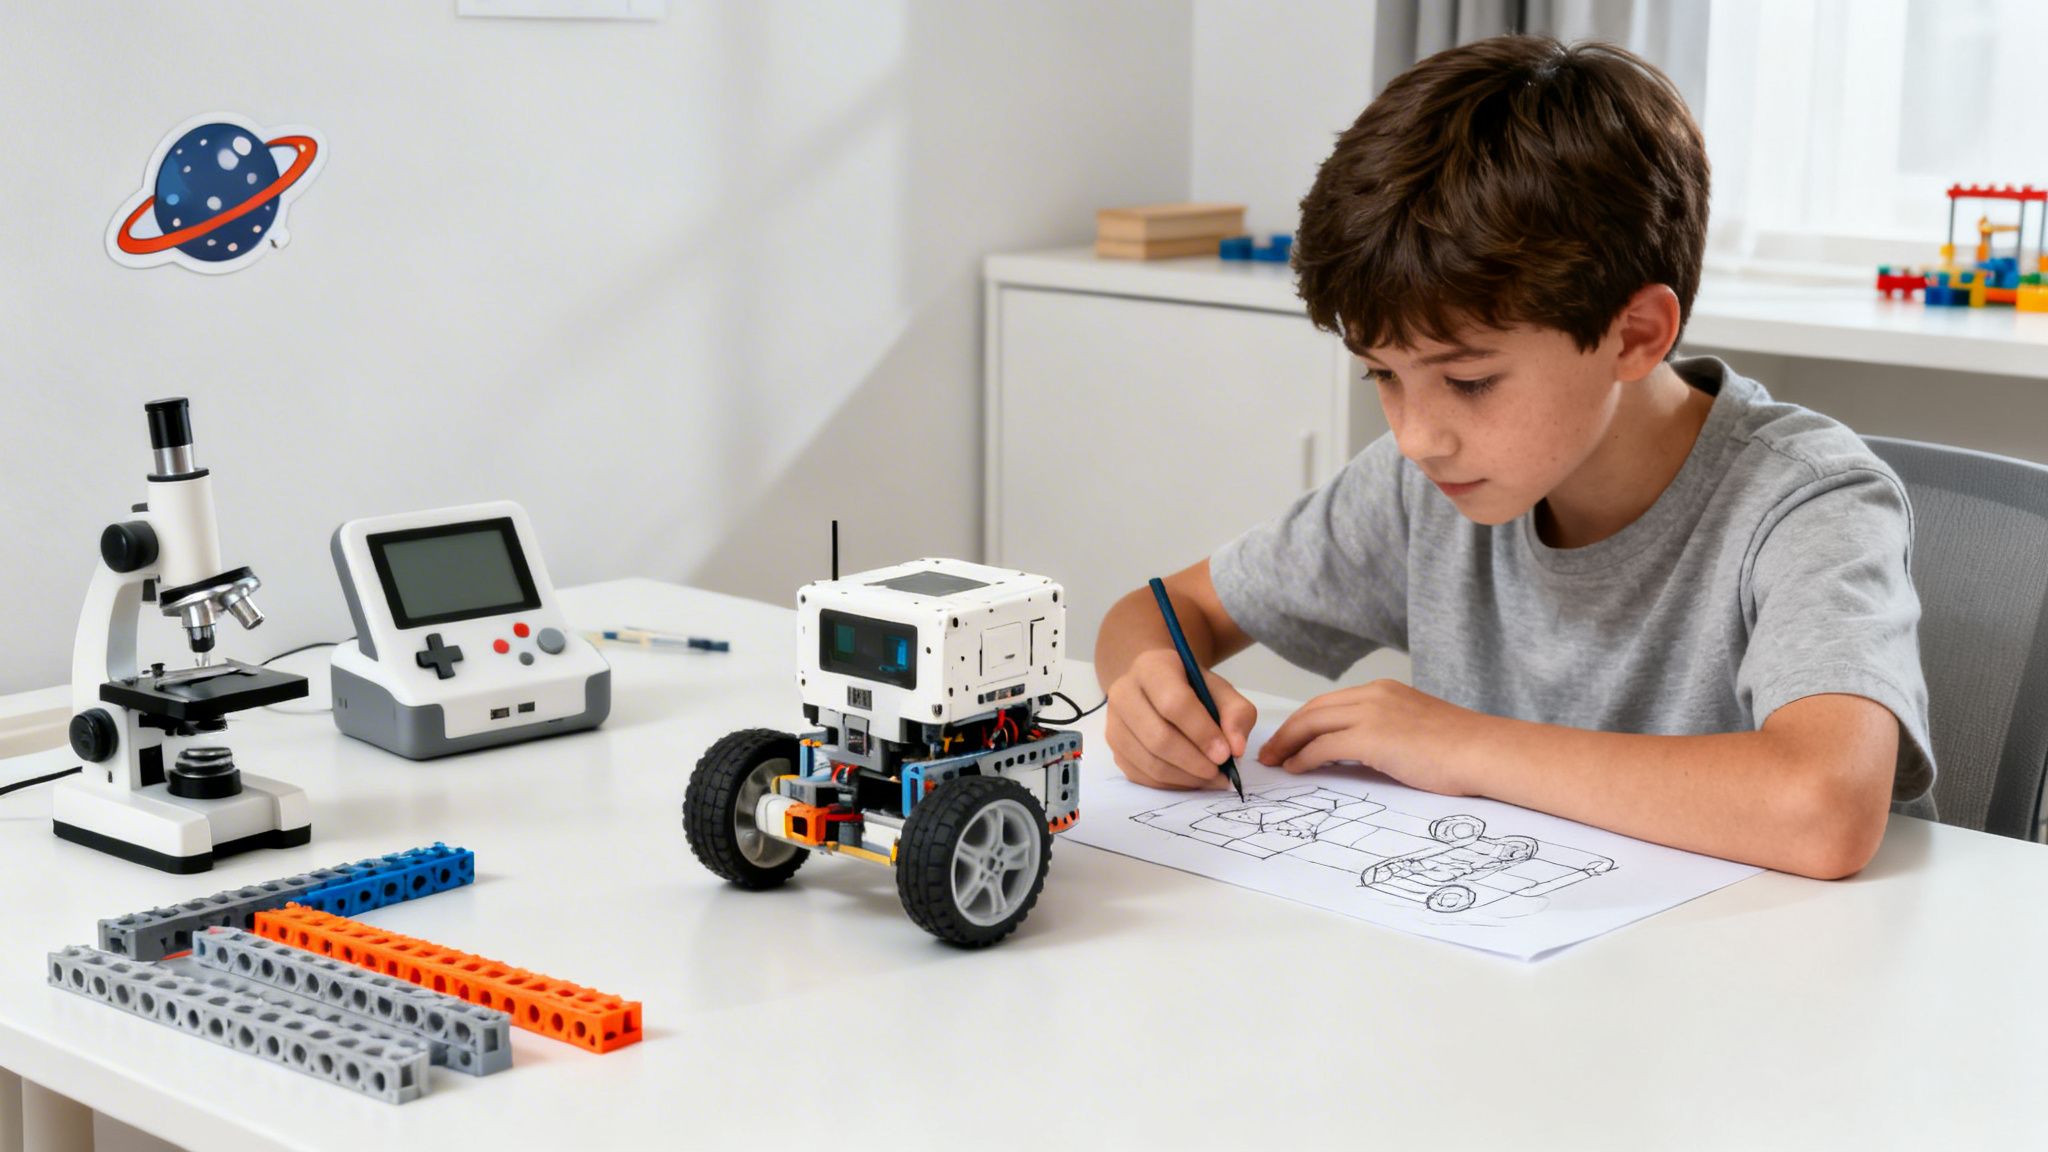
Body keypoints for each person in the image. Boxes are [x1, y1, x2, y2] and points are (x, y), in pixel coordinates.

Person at [1091, 35, 1935, 880]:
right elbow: (1160, 610)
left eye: (1469, 380)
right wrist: (1150, 689)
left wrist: (1462, 744)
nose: (1417, 435)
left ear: (1635, 334)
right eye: (1384, 374)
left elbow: (1823, 808)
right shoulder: (1422, 485)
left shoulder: (1810, 502)